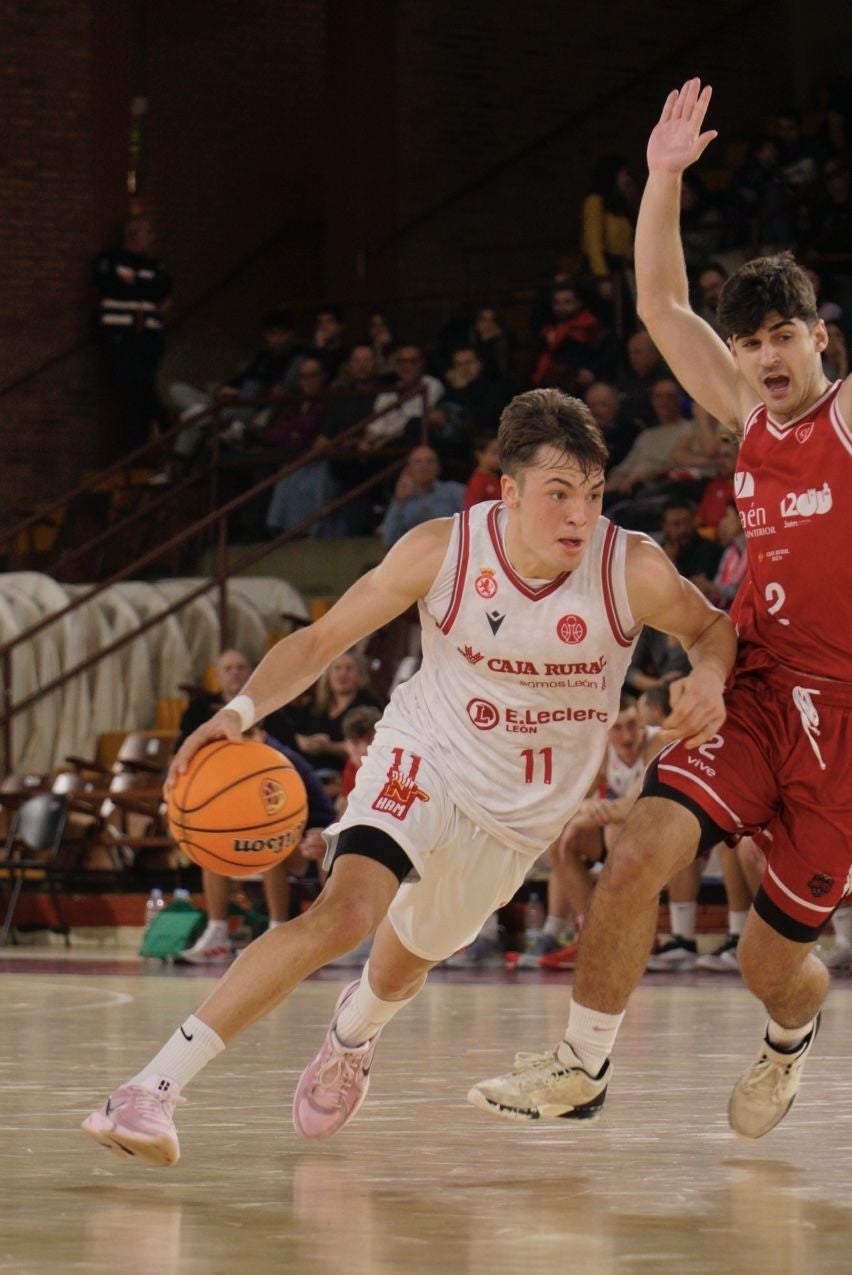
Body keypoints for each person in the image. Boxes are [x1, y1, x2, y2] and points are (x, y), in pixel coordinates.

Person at [81, 385, 733, 1165]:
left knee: (407, 958)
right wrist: (239, 711)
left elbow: (713, 628)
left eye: (592, 495)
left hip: (518, 815)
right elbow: (323, 638)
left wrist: (712, 677)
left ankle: (353, 1032)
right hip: (425, 751)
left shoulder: (632, 568)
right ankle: (151, 1088)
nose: (578, 515)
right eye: (558, 494)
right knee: (346, 912)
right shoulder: (443, 549)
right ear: (510, 491)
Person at [470, 78, 852, 1141]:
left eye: (784, 336)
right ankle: (580, 1068)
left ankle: (790, 1039)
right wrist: (664, 178)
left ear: (819, 336)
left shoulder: (845, 416)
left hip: (848, 730)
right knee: (638, 843)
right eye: (751, 345)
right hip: (760, 689)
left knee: (768, 964)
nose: (767, 360)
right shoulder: (750, 416)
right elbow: (656, 305)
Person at [175, 650, 336, 966]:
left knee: (266, 844)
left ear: (257, 727)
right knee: (211, 846)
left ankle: (276, 934)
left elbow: (309, 814)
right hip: (278, 833)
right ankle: (217, 932)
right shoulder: (227, 758)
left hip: (314, 835)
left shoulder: (275, 758)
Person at [93, 214, 172, 454]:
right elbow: (109, 284)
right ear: (134, 234)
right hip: (120, 333)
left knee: (142, 386)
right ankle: (163, 423)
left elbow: (164, 290)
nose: (152, 238)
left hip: (148, 336)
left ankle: (140, 448)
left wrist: (134, 283)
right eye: (148, 233)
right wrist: (144, 289)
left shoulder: (154, 265)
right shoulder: (111, 260)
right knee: (135, 385)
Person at [294, 649, 380, 774]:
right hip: (309, 770)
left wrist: (329, 747)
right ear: (328, 675)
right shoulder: (315, 706)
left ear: (360, 675)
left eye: (349, 669)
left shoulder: (368, 706)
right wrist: (305, 743)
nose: (342, 674)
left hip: (346, 774)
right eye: (337, 668)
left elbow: (368, 747)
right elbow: (296, 733)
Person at [379, 446, 465, 547]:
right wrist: (399, 501)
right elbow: (388, 540)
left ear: (438, 468)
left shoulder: (454, 491)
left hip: (450, 550)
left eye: (430, 461)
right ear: (408, 469)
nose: (424, 466)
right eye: (418, 462)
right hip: (415, 555)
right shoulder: (402, 500)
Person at [464, 433, 501, 509]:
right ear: (479, 454)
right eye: (495, 452)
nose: (499, 457)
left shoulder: (497, 478)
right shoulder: (477, 481)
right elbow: (471, 510)